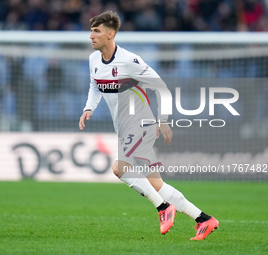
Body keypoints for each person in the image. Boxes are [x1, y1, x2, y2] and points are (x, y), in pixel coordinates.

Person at [79, 11, 219, 240]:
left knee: (120, 168)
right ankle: (204, 220)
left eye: (96, 31)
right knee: (156, 184)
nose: (91, 36)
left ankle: (163, 208)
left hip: (141, 122)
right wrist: (88, 108)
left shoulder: (129, 61)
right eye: (91, 31)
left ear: (110, 34)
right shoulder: (94, 60)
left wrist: (162, 120)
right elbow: (94, 86)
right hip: (123, 126)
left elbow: (161, 87)